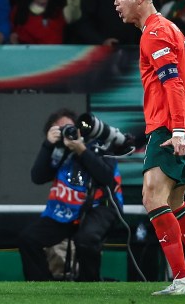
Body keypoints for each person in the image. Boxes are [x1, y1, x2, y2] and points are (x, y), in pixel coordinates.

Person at [113, 0, 185, 295]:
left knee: (151, 197)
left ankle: (181, 279)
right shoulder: (171, 29)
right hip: (184, 124)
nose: (116, 3)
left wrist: (176, 131)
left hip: (168, 126)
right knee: (174, 202)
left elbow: (174, 84)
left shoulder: (155, 33)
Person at [17, 108, 124, 282]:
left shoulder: (99, 144)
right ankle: (42, 289)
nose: (67, 133)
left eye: (69, 128)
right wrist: (48, 145)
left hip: (100, 207)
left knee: (86, 239)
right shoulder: (57, 152)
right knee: (28, 238)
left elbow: (106, 178)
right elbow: (37, 177)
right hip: (66, 210)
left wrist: (81, 150)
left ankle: (88, 288)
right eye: (59, 130)